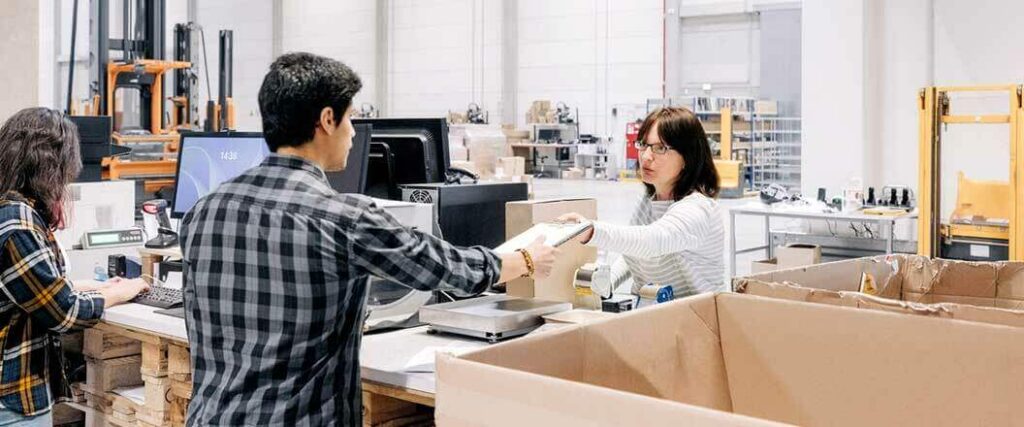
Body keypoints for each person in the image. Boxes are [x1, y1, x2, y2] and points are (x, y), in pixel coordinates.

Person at [178, 52, 558, 426]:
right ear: (327, 120)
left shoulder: (203, 211)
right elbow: (439, 266)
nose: (355, 132)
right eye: (352, 118)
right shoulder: (343, 219)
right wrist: (524, 259)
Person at [0, 108, 149, 426]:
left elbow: (40, 287)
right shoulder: (18, 222)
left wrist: (100, 287)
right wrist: (121, 293)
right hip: (11, 397)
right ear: (50, 166)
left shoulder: (11, 209)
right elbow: (64, 311)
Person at [560, 107, 725, 298]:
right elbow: (634, 253)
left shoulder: (697, 209)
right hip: (651, 310)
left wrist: (592, 232)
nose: (646, 156)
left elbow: (652, 241)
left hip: (697, 317)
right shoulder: (648, 201)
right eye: (643, 145)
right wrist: (609, 281)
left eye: (660, 148)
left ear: (688, 157)